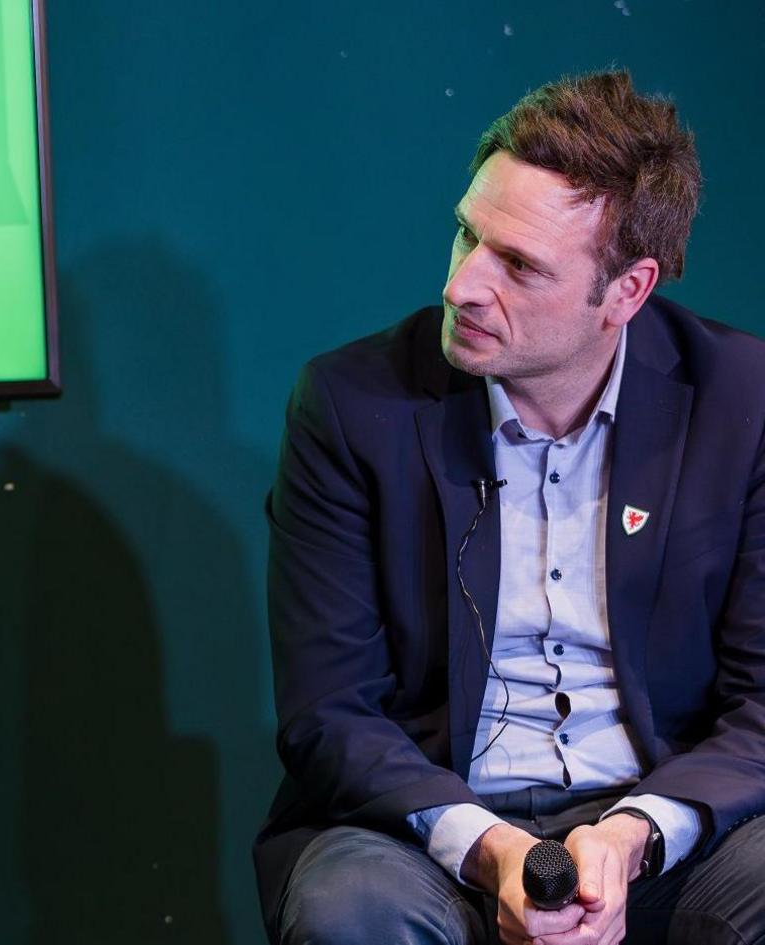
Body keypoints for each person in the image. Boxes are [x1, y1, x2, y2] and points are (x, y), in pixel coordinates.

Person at [257, 71, 765, 945]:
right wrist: (490, 846)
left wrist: (634, 831)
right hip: (424, 822)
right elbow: (330, 711)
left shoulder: (741, 400)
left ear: (628, 291)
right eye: (466, 234)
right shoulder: (350, 405)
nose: (461, 286)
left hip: (658, 817)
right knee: (355, 913)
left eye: (520, 264)